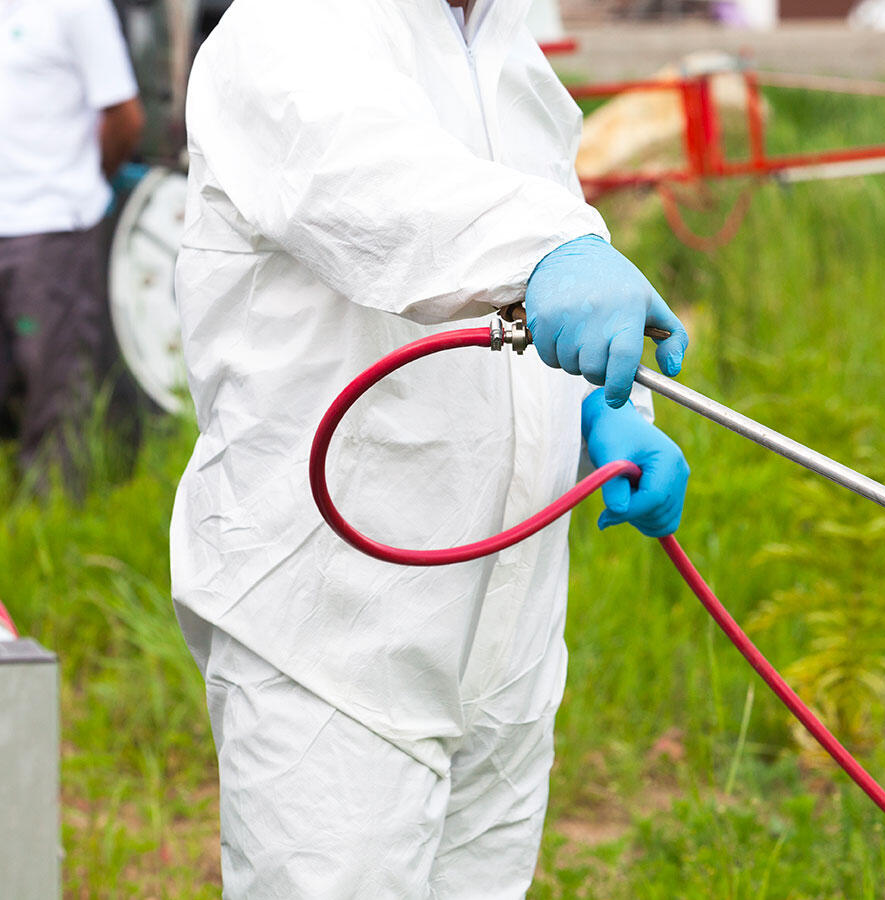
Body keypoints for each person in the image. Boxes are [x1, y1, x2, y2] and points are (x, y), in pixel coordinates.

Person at [170, 0, 690, 896]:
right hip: (332, 635)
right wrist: (554, 249)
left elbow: (539, 272)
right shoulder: (288, 27)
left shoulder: (502, 41)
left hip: (505, 645)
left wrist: (604, 412)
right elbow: (376, 185)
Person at [0, 0, 143, 488]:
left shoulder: (77, 7)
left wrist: (83, 184)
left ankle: (57, 522)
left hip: (52, 226)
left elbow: (125, 116)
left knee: (55, 388)